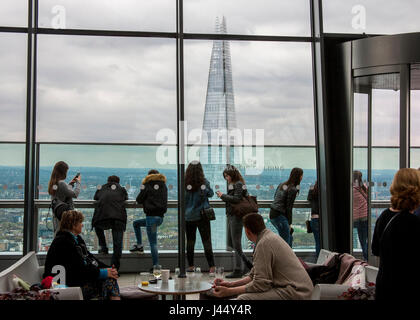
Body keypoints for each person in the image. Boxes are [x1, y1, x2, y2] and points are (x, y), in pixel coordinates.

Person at [212, 213, 314, 300]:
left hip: (296, 292)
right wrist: (231, 285)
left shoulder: (264, 244)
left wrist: (229, 292)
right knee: (243, 293)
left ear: (247, 231)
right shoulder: (268, 237)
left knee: (244, 298)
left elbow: (261, 284)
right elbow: (253, 276)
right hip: (298, 288)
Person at [43, 210, 120, 300]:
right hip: (65, 286)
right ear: (73, 224)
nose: (82, 225)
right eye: (80, 222)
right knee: (109, 281)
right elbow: (79, 270)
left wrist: (109, 269)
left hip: (75, 280)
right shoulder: (63, 242)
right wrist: (104, 272)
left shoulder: (75, 239)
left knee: (109, 280)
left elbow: (90, 258)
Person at [371, 168, 420, 300]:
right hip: (406, 289)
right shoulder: (413, 223)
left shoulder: (384, 216)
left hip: (384, 287)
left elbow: (376, 250)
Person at [216, 165, 253, 279]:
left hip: (236, 216)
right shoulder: (237, 184)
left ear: (232, 175)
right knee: (233, 243)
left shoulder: (238, 184)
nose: (226, 178)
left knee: (236, 244)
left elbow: (236, 199)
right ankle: (246, 266)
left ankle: (242, 268)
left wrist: (223, 196)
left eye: (227, 176)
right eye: (225, 176)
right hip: (233, 215)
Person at [130, 169, 168, 270]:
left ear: (148, 176)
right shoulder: (163, 185)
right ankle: (139, 245)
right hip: (159, 218)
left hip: (151, 218)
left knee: (153, 243)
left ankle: (156, 266)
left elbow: (139, 199)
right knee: (136, 223)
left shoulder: (147, 185)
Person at [92, 175, 128, 271]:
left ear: (108, 181)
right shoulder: (121, 189)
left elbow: (95, 197)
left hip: (103, 217)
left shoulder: (101, 188)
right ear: (118, 182)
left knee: (97, 226)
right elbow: (125, 198)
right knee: (117, 245)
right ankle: (114, 269)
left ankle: (103, 246)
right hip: (118, 218)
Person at [185, 161, 216, 274]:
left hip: (188, 217)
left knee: (190, 242)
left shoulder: (185, 183)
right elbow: (211, 194)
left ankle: (191, 266)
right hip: (202, 216)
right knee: (206, 241)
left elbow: (184, 199)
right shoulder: (204, 182)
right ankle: (212, 267)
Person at [270, 167, 303, 247]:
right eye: (302, 175)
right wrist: (289, 223)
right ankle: (283, 258)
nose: (302, 177)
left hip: (273, 214)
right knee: (285, 243)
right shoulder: (293, 189)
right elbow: (289, 207)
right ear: (299, 176)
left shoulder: (282, 184)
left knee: (289, 238)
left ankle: (287, 258)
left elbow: (275, 198)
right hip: (280, 216)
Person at [48, 161, 81, 232]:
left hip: (58, 214)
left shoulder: (54, 183)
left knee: (59, 235)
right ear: (63, 172)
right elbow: (75, 194)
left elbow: (63, 192)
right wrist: (78, 182)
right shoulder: (61, 183)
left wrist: (70, 184)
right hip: (65, 215)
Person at [353, 170, 368, 261]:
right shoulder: (363, 187)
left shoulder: (350, 188)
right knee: (364, 240)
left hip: (356, 217)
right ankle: (367, 258)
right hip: (365, 216)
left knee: (360, 238)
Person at [307, 180, 320, 258]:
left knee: (318, 242)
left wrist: (311, 189)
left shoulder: (313, 190)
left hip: (314, 218)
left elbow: (309, 199)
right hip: (323, 219)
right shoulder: (325, 191)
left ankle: (318, 259)